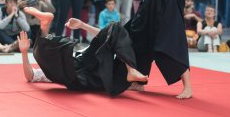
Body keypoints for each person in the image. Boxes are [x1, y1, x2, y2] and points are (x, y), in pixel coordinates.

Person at [18, 7, 148, 96]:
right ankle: (45, 26)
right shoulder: (60, 64)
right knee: (52, 57)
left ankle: (131, 70)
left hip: (92, 74)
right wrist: (24, 52)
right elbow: (30, 76)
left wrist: (82, 25)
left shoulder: (114, 70)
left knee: (115, 26)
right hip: (74, 73)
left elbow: (107, 35)